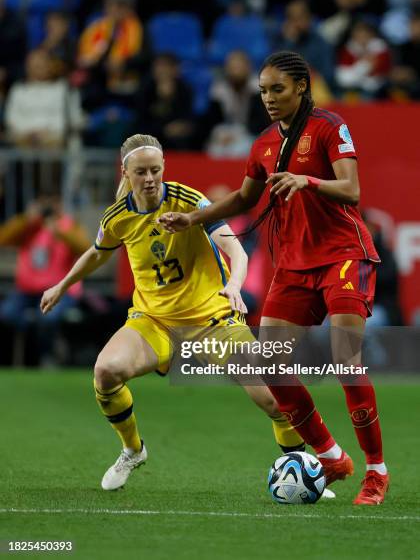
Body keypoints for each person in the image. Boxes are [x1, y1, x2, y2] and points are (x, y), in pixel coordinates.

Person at [158, 51, 389, 505]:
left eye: (277, 89)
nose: (268, 98)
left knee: (345, 358)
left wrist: (308, 182)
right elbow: (245, 198)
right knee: (271, 365)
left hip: (343, 255)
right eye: (262, 90)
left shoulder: (329, 127)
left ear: (301, 86)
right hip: (294, 265)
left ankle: (376, 472)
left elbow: (353, 190)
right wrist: (193, 218)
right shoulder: (264, 143)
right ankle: (331, 456)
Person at [40, 133, 326, 493]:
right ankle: (132, 449)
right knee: (106, 371)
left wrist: (235, 286)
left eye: (155, 170)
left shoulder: (188, 200)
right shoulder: (119, 216)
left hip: (213, 321)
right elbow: (98, 253)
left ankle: (300, 471)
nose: (149, 178)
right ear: (125, 173)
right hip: (154, 320)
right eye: (141, 171)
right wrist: (62, 285)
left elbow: (236, 251)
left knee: (273, 396)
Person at [0, 194, 91, 365]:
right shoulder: (29, 226)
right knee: (7, 313)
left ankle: (48, 356)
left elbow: (85, 248)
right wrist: (27, 219)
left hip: (59, 291)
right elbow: (3, 238)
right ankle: (28, 354)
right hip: (26, 292)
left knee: (48, 318)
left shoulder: (68, 225)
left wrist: (60, 231)